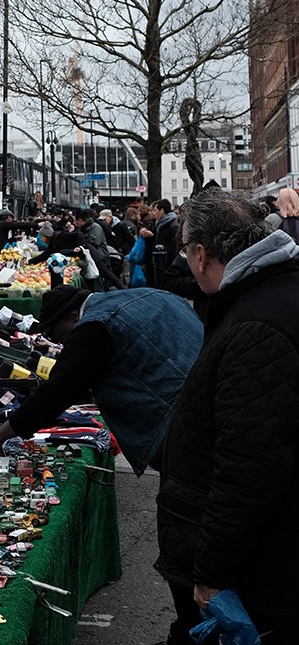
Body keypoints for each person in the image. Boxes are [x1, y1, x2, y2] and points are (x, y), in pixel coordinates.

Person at [155, 189, 299, 642]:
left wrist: (212, 572)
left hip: (263, 565)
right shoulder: (269, 294)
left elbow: (249, 462)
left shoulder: (257, 323)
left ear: (200, 254)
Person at [0, 284, 203, 476]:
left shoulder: (94, 325)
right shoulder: (153, 294)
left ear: (73, 317)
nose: (63, 344)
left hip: (178, 425)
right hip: (211, 401)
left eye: (61, 337)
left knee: (188, 507)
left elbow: (57, 392)